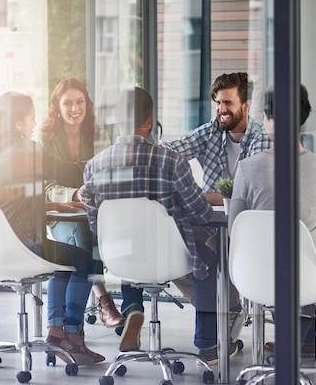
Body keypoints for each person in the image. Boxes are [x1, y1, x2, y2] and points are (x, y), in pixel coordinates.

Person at [80, 87, 238, 364]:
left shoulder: (95, 165)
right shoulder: (170, 161)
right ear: (150, 120)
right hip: (168, 257)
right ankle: (208, 345)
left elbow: (95, 224)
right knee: (209, 260)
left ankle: (133, 310)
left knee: (150, 254)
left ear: (117, 120)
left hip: (120, 258)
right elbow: (201, 214)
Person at [0, 91, 105, 365]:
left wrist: (46, 205)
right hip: (25, 245)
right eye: (31, 119)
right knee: (87, 259)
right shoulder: (26, 149)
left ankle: (57, 333)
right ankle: (70, 335)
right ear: (18, 123)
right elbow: (69, 172)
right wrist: (107, 162)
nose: (34, 126)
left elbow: (5, 202)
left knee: (64, 259)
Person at [228, 84, 316, 356]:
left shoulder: (246, 168)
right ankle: (302, 343)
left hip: (257, 276)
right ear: (302, 119)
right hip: (308, 277)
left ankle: (290, 344)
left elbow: (235, 228)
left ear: (268, 118)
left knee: (278, 268)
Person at [160, 72, 273, 336]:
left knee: (211, 253)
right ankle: (226, 309)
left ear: (246, 106)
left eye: (228, 103)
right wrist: (148, 151)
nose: (221, 110)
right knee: (172, 245)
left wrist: (197, 195)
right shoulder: (213, 130)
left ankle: (217, 322)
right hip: (211, 223)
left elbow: (246, 193)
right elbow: (173, 149)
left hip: (248, 230)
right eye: (218, 103)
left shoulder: (261, 137)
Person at [38, 78, 124, 329]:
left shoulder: (99, 134)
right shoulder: (45, 137)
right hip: (60, 214)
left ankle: (64, 327)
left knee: (94, 235)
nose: (75, 108)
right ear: (57, 106)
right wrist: (75, 193)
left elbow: (107, 174)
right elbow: (44, 185)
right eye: (67, 103)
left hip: (96, 210)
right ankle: (100, 303)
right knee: (84, 238)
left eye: (80, 102)